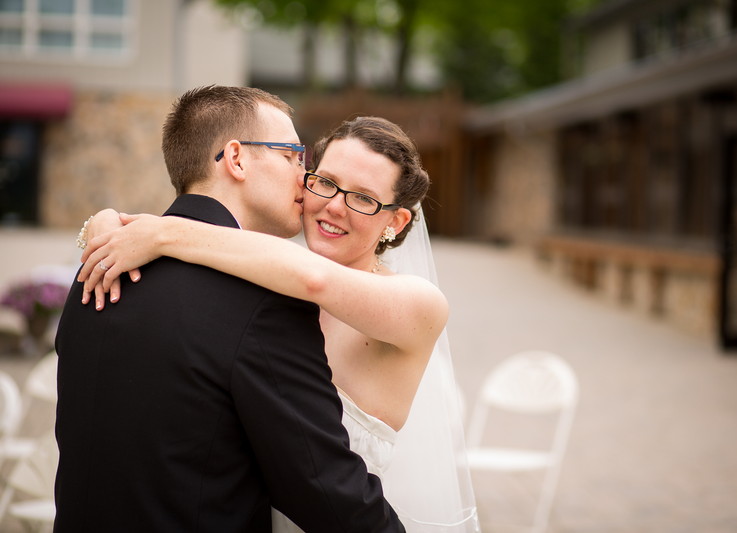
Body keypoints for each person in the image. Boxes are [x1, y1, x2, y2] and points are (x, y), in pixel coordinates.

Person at [79, 116, 480, 532]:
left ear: (394, 222)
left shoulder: (419, 304)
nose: (335, 206)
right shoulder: (268, 282)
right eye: (325, 182)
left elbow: (315, 279)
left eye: (363, 198)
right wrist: (104, 222)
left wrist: (161, 232)